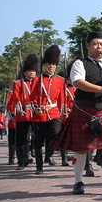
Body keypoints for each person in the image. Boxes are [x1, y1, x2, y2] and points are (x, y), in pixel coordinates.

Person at [52, 32, 102, 196]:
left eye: (101, 44)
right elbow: (78, 82)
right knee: (81, 149)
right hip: (84, 109)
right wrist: (101, 89)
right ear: (87, 46)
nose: (98, 47)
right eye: (94, 44)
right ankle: (78, 181)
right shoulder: (80, 63)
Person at [30, 45, 66, 175]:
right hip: (40, 114)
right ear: (45, 65)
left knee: (55, 133)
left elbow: (62, 99)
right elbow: (31, 98)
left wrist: (63, 112)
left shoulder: (60, 81)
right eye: (49, 64)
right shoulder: (36, 80)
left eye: (54, 64)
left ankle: (49, 154)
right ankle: (39, 166)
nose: (51, 66)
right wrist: (35, 109)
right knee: (38, 141)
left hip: (54, 112)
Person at [12, 54, 37, 170]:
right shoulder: (18, 83)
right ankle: (22, 160)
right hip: (24, 112)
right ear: (25, 72)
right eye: (29, 71)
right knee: (22, 138)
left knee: (36, 136)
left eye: (33, 71)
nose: (31, 73)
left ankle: (32, 154)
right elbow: (16, 98)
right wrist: (20, 110)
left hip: (35, 113)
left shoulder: (37, 83)